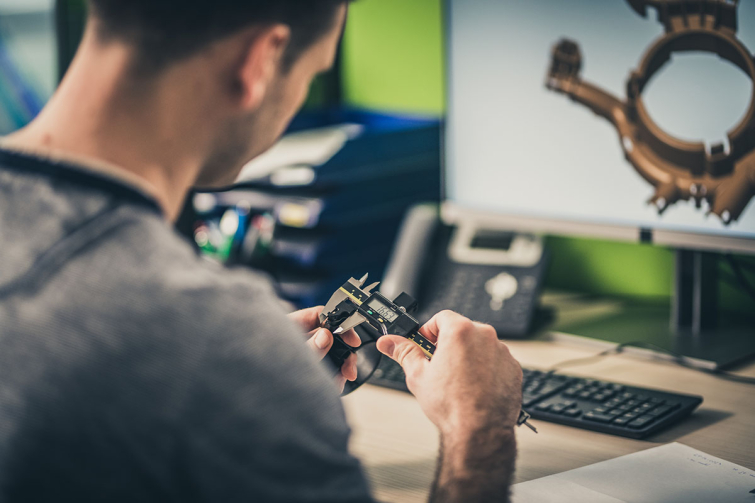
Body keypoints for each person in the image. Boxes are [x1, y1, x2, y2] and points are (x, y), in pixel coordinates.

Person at [0, 1, 523, 501]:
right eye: (311, 75)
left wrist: (224, 404)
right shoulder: (210, 331)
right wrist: (478, 432)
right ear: (261, 61)